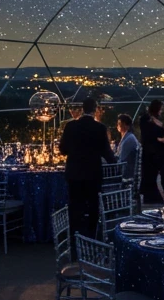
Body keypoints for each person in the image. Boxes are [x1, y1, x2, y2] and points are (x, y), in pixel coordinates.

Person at [58, 97, 115, 247]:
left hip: (74, 174)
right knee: (93, 207)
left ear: (82, 108)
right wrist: (117, 162)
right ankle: (91, 240)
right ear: (95, 109)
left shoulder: (70, 126)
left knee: (75, 207)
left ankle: (74, 240)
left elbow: (62, 150)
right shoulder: (100, 128)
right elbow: (107, 154)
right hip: (92, 175)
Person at [138, 100, 164, 203]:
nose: (162, 111)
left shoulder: (147, 119)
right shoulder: (147, 120)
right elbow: (155, 134)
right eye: (161, 109)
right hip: (153, 152)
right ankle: (151, 197)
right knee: (150, 175)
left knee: (150, 175)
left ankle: (149, 197)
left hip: (151, 152)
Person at [115, 113, 140, 183]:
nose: (117, 126)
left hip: (125, 174)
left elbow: (121, 160)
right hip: (125, 170)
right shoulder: (127, 137)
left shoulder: (129, 140)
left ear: (126, 125)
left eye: (119, 123)